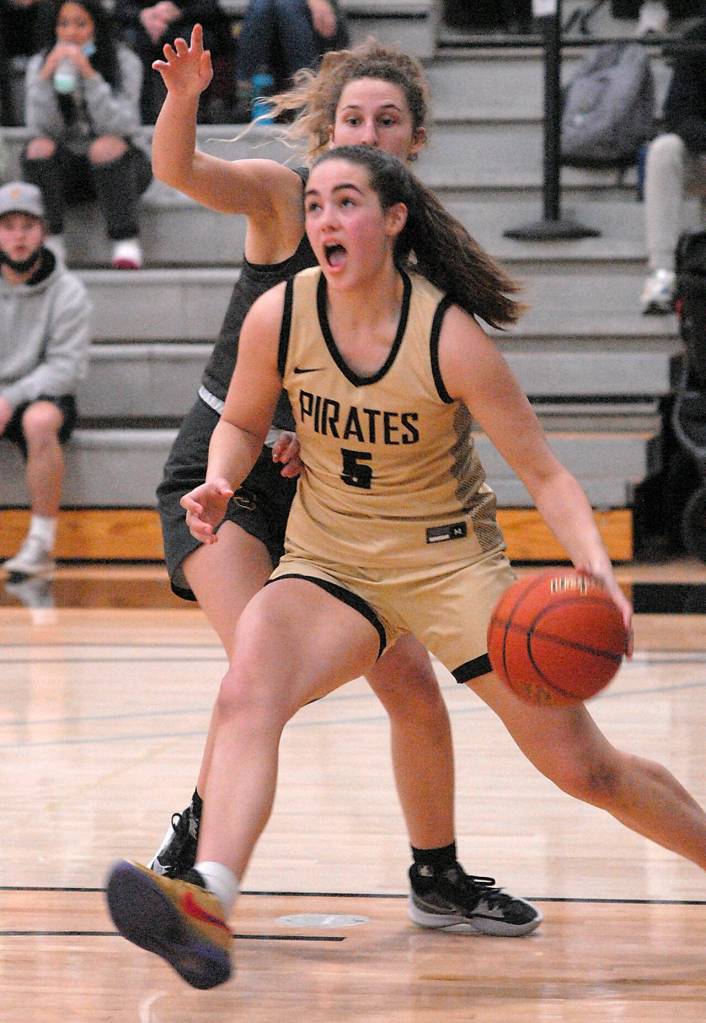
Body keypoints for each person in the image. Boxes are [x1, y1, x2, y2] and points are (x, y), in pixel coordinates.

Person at [106, 144, 706, 989]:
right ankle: (209, 899)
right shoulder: (280, 314)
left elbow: (545, 473)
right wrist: (217, 480)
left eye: (344, 203)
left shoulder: (448, 336)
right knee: (249, 685)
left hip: (448, 565)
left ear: (392, 220)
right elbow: (239, 423)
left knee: (587, 770)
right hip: (331, 558)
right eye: (313, 205)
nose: (322, 221)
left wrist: (596, 570)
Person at [146, 26, 542, 940]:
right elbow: (178, 169)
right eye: (353, 115)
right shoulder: (291, 202)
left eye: (388, 119)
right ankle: (189, 859)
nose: (369, 129)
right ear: (327, 129)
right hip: (224, 479)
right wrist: (183, 95)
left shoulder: (412, 247)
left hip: (334, 504)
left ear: (414, 141)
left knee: (410, 683)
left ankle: (436, 875)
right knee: (261, 669)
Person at [0, 180, 91, 577]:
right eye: (8, 225)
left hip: (41, 395)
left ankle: (39, 544)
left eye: (28, 225)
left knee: (38, 421)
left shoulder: (68, 291)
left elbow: (65, 369)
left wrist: (10, 397)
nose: (18, 236)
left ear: (44, 232)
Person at [22, 0, 152, 270]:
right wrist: (46, 79)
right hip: (68, 169)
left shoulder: (123, 60)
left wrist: (90, 77)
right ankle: (51, 239)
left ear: (96, 25)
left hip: (122, 166)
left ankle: (125, 238)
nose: (71, 32)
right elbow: (39, 128)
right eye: (63, 24)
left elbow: (122, 125)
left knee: (105, 147)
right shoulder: (39, 64)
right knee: (37, 148)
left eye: (80, 24)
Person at [640, 16, 706, 313]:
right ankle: (662, 275)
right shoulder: (698, 36)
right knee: (664, 150)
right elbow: (678, 113)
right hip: (703, 154)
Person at [113, 0, 234, 123]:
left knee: (195, 41)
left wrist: (178, 13)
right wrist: (143, 15)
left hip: (187, 24)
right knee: (130, 44)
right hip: (140, 28)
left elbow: (211, 9)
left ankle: (193, 114)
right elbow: (119, 9)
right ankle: (142, 115)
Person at [235, 0, 349, 121]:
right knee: (263, 7)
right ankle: (303, 91)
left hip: (309, 27)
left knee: (284, 7)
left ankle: (248, 91)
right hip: (270, 24)